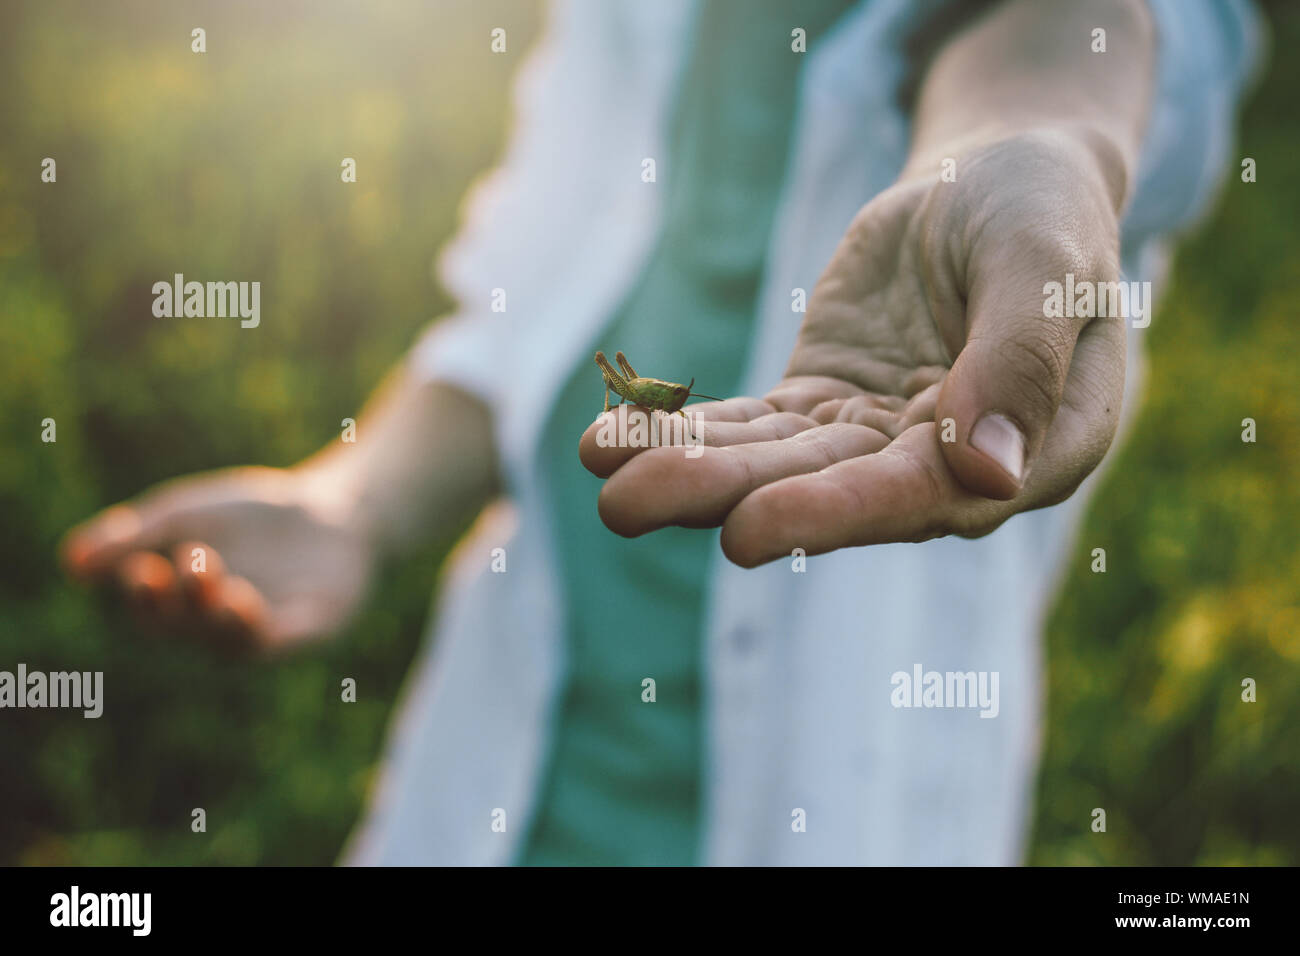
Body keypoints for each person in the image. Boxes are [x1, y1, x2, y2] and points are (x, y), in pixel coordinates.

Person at [61, 0, 1260, 865]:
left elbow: (1078, 39)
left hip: (848, 805)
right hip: (499, 788)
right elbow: (512, 314)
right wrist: (354, 500)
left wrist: (1041, 142)